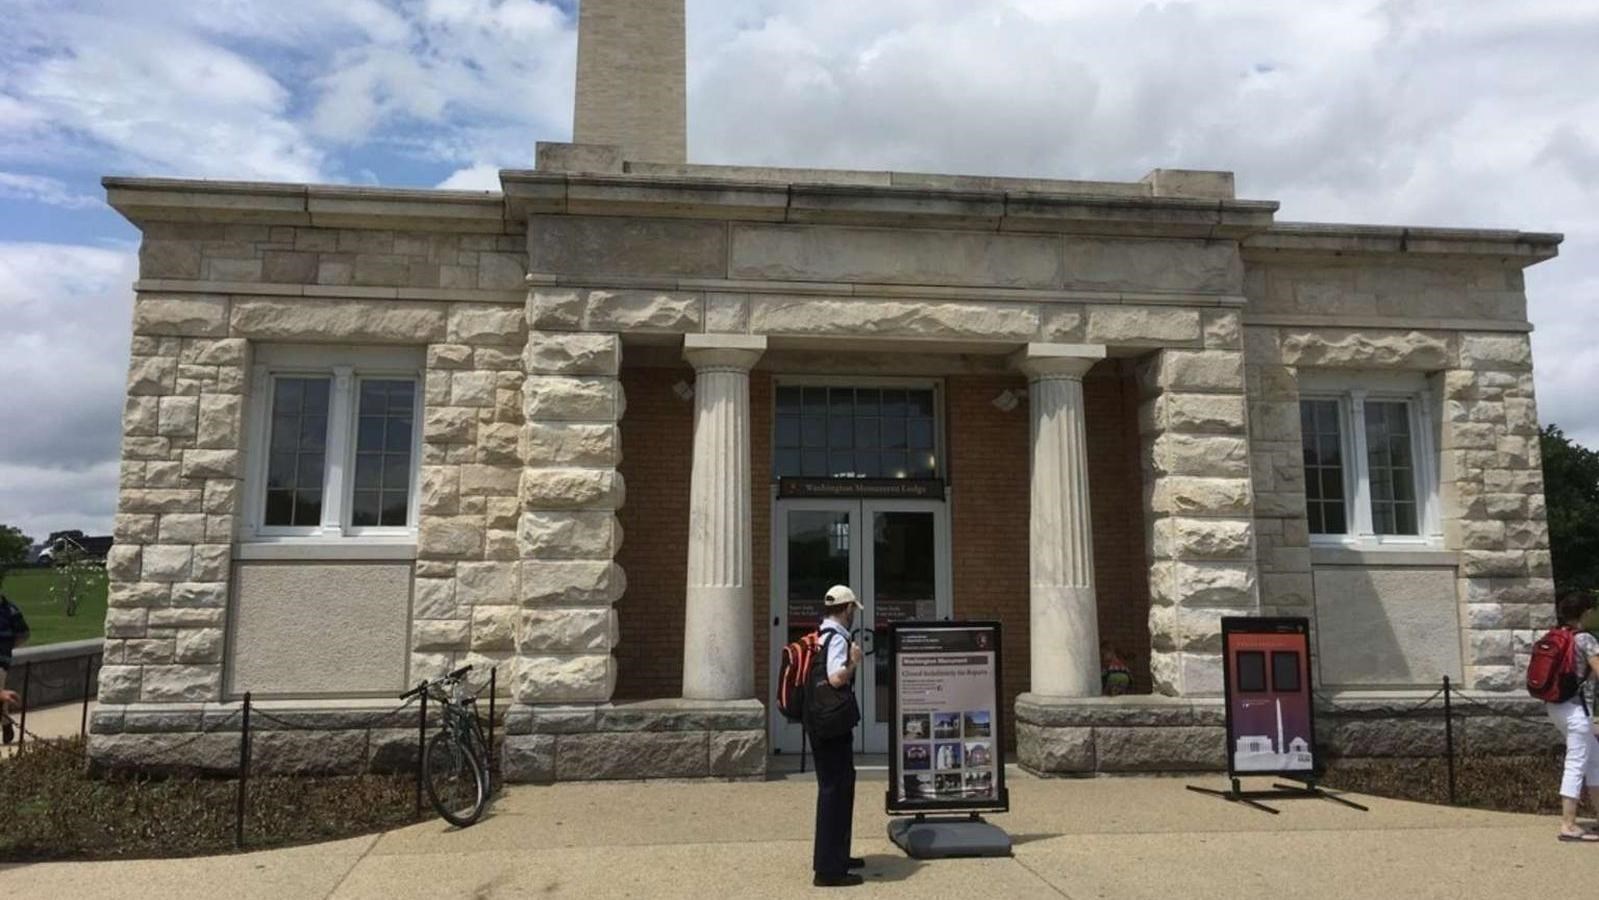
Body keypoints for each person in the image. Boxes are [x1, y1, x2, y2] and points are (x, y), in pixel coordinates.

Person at [809, 585, 865, 887]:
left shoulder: (819, 635)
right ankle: (829, 870)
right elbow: (835, 678)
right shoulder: (839, 639)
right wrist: (854, 660)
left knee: (839, 787)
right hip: (832, 726)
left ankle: (839, 855)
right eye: (853, 609)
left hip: (821, 723)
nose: (854, 614)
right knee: (835, 790)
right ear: (846, 609)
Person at [1545, 590, 1599, 842]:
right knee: (1577, 762)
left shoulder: (1557, 635)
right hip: (1577, 709)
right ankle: (1568, 824)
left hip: (1556, 706)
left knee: (1594, 760)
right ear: (1586, 613)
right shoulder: (1585, 639)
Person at [0, 591, 29, 744]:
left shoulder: (10, 610)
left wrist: (7, 646)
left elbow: (23, 633)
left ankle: (6, 725)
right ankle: (6, 724)